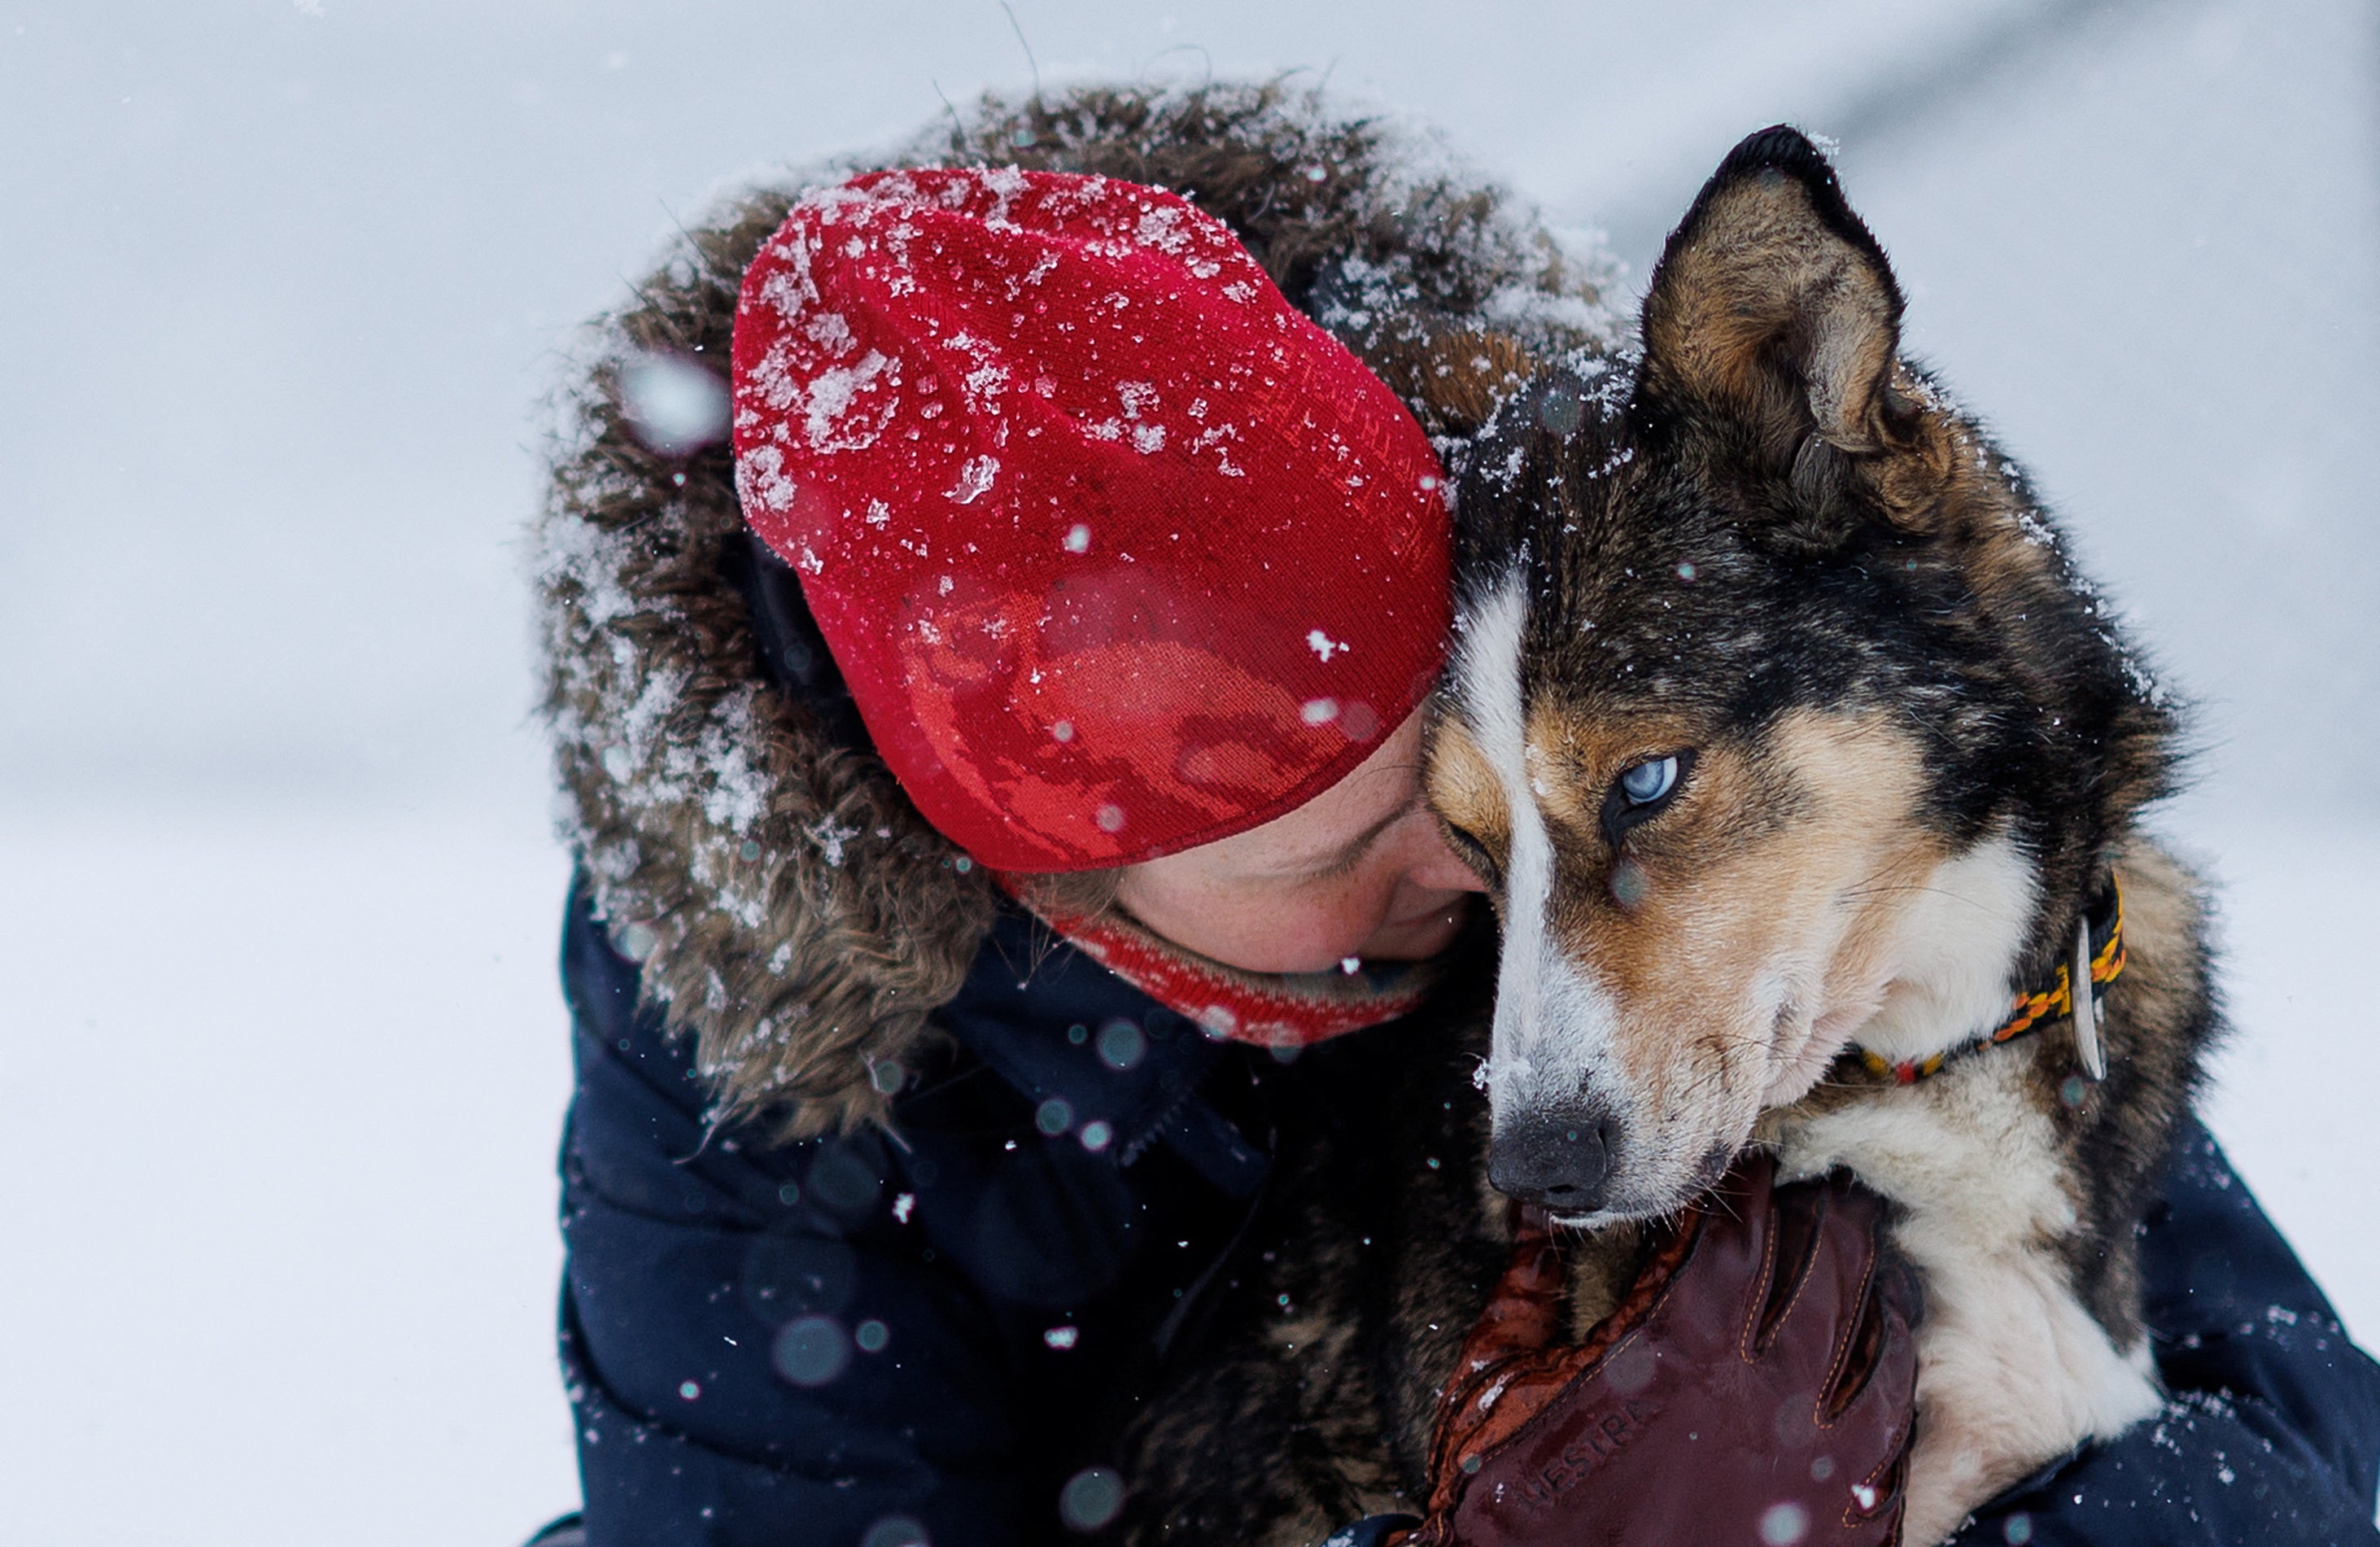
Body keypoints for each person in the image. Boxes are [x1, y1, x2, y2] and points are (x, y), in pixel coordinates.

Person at [528, 85, 2380, 1547]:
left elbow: (2296, 1418)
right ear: (1063, 888)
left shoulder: (1569, 586)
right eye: (1336, 851)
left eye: (1462, 795)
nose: (1472, 892)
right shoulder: (745, 1081)